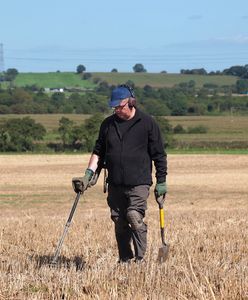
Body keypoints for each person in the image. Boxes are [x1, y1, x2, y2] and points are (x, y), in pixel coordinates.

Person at [72, 84, 167, 263]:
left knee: (134, 215)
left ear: (131, 102)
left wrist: (161, 181)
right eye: (114, 107)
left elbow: (159, 154)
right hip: (115, 182)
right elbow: (98, 151)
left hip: (139, 181)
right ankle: (125, 259)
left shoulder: (147, 123)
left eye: (120, 107)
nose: (117, 110)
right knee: (120, 221)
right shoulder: (108, 124)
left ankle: (140, 259)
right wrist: (88, 175)